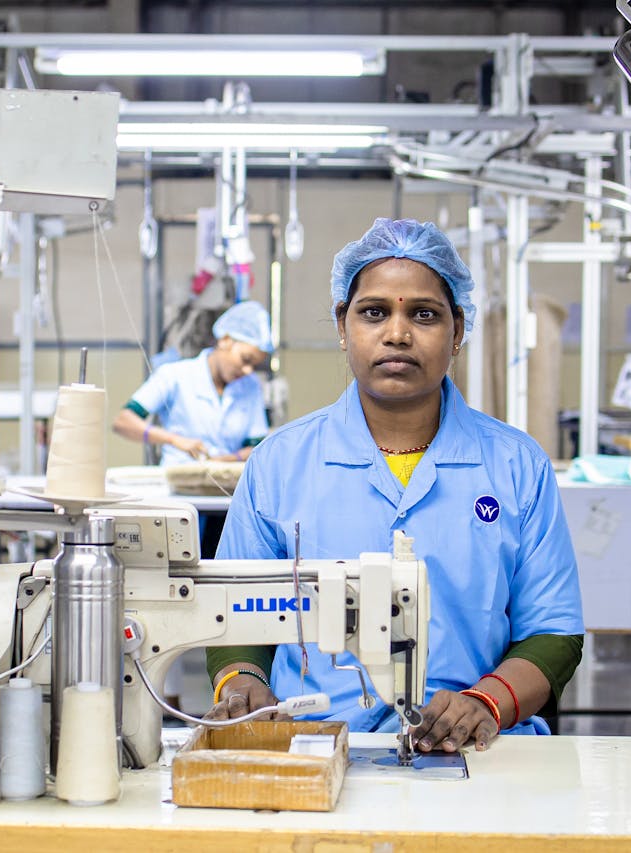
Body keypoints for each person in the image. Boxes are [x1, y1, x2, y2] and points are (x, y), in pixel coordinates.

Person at [205, 219, 584, 755]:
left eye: (424, 314)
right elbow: (235, 610)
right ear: (344, 326)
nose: (398, 333)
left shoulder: (517, 467)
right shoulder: (279, 465)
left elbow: (554, 630)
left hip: (477, 747)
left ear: (457, 331)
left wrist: (484, 702)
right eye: (374, 312)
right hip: (312, 740)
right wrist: (242, 682)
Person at [112, 300, 272, 466]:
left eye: (254, 365)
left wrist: (226, 461)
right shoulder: (175, 375)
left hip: (226, 485)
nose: (248, 370)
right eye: (245, 360)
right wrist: (174, 440)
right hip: (176, 483)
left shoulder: (250, 386)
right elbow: (123, 422)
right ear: (225, 340)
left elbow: (256, 447)